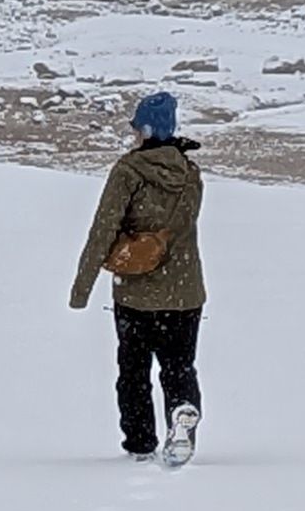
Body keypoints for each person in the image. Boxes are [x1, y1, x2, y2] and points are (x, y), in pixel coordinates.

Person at [68, 88, 205, 462]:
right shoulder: (190, 175)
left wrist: (82, 288)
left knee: (133, 371)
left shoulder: (128, 171)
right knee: (179, 366)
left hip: (136, 295)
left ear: (145, 129)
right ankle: (182, 410)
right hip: (186, 293)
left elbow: (103, 230)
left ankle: (140, 444)